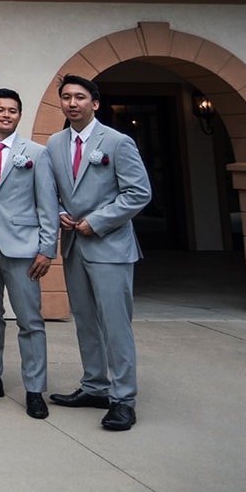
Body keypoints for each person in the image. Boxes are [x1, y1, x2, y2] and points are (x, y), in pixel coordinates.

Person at [46, 74, 151, 432]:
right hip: (74, 244)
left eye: (79, 97)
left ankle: (124, 399)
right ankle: (94, 387)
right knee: (86, 321)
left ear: (95, 103)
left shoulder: (118, 142)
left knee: (115, 326)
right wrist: (59, 210)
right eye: (66, 97)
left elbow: (138, 193)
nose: (72, 103)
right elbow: (55, 190)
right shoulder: (55, 143)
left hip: (110, 247)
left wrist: (99, 220)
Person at [0, 88, 57, 419]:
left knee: (30, 320)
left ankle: (34, 389)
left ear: (19, 115)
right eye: (0, 109)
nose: (6, 115)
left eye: (12, 110)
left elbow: (47, 203)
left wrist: (47, 248)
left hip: (22, 248)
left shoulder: (36, 152)